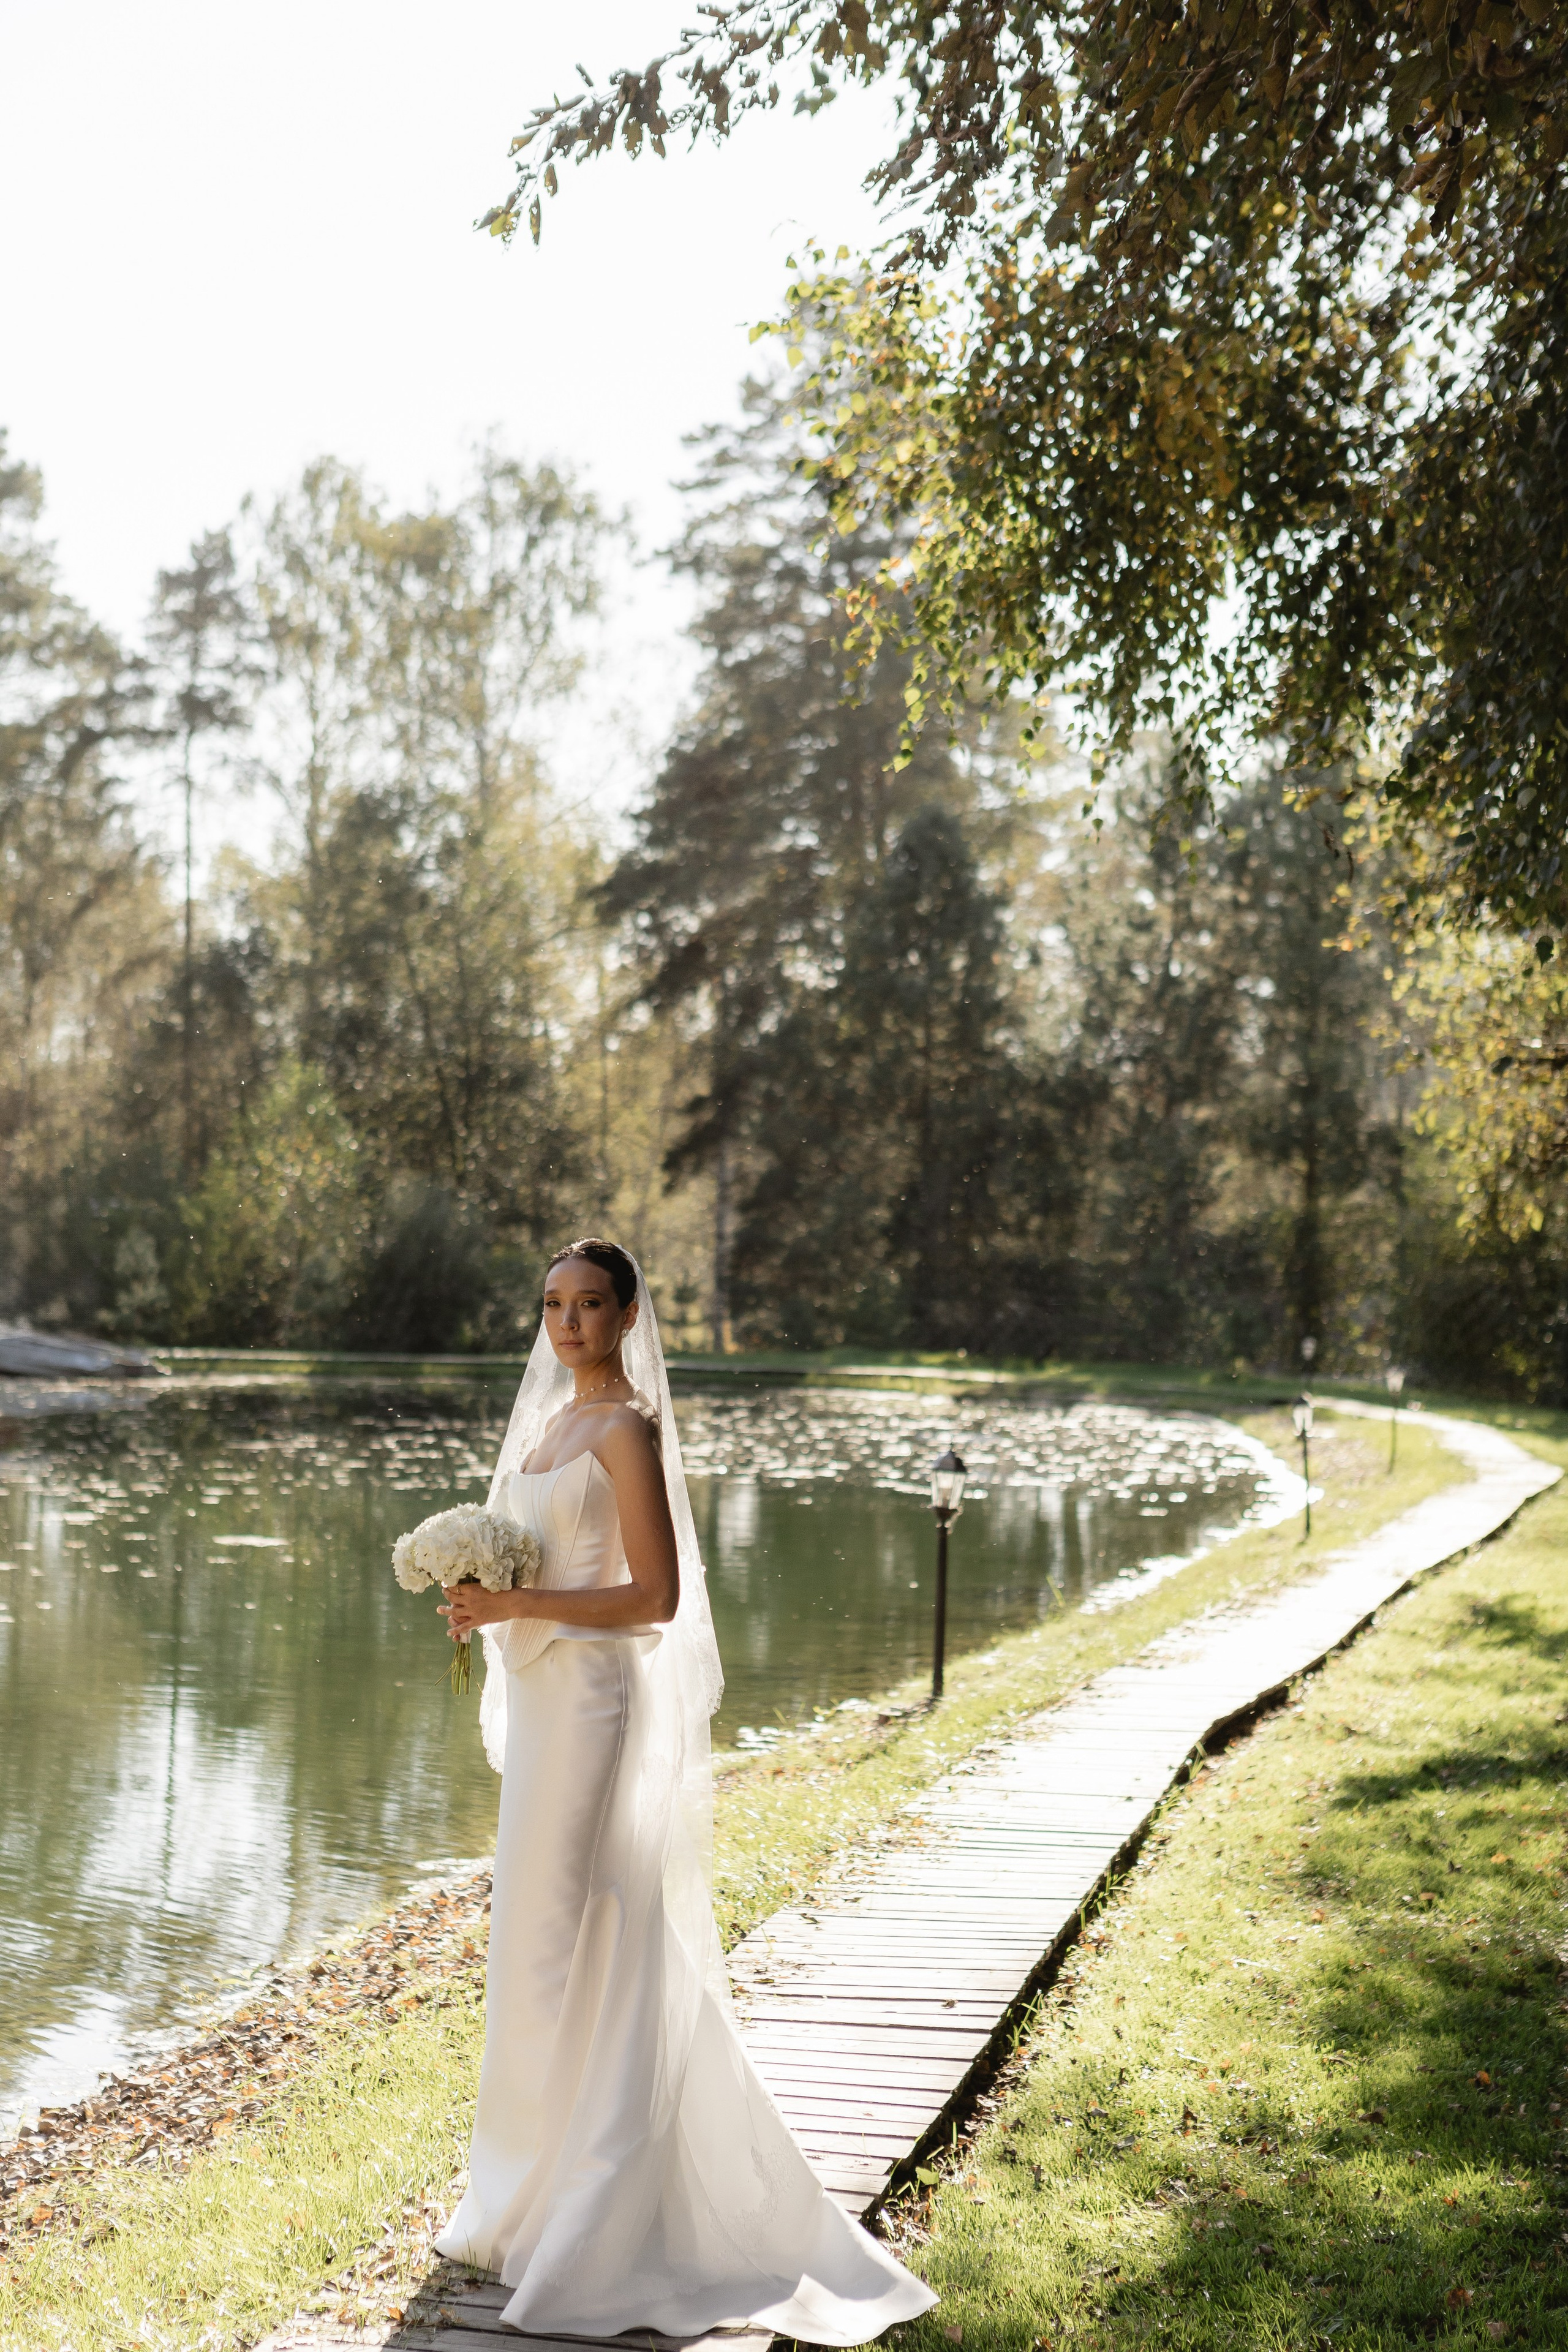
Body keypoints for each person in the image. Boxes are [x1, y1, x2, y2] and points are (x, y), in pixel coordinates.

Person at [433, 1237, 936, 2343]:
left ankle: (602, 2202)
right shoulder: (542, 1426)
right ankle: (524, 2193)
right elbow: (540, 1565)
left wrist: (525, 1612)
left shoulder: (626, 1428)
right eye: (554, 1304)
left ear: (626, 1316)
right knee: (531, 1936)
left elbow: (655, 1598)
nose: (567, 1324)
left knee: (583, 1927)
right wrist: (482, 1597)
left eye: (590, 1306)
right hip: (544, 1691)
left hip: (598, 1704)